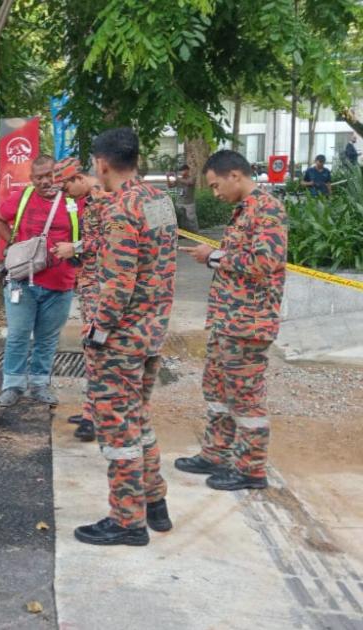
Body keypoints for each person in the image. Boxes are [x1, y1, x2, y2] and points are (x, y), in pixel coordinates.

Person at [73, 127, 176, 547]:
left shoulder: (120, 208)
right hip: (152, 332)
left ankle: (127, 521)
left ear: (101, 164)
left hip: (120, 339)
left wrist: (97, 331)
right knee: (139, 420)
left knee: (117, 431)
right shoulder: (158, 201)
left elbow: (118, 282)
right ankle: (155, 504)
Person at [176, 150, 287, 491]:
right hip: (228, 320)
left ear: (235, 175)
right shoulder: (243, 212)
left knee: (245, 398)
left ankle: (251, 469)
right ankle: (217, 452)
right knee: (217, 390)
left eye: (215, 185)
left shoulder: (266, 209)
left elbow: (265, 261)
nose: (215, 193)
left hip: (249, 323)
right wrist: (216, 258)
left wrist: (213, 256)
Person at [0, 155, 83, 408]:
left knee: (48, 338)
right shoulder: (23, 198)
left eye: (50, 175)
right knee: (18, 334)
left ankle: (39, 384)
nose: (45, 181)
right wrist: (13, 244)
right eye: (39, 177)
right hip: (22, 281)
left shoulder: (73, 201)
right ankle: (12, 385)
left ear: (58, 175)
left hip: (61, 282)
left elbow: (89, 236)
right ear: (32, 179)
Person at [49, 158, 106, 442]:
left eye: (65, 186)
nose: (63, 193)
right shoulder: (89, 200)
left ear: (79, 178)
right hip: (90, 284)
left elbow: (112, 239)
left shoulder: (105, 199)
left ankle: (97, 417)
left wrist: (75, 247)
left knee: (98, 349)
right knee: (90, 349)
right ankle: (89, 409)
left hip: (104, 287)